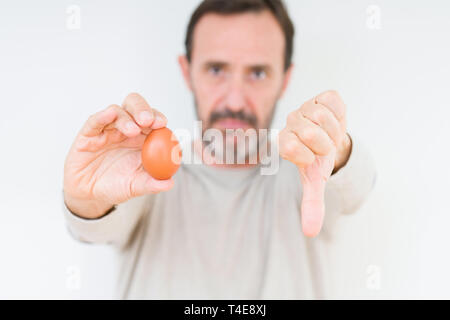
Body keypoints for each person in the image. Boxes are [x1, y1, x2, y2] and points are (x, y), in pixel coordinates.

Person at [63, 0, 376, 299]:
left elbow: (358, 184)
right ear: (187, 72)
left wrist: (336, 150)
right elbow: (94, 225)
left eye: (258, 73)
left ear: (284, 79)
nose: (235, 100)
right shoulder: (144, 175)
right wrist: (85, 199)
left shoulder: (309, 175)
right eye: (216, 70)